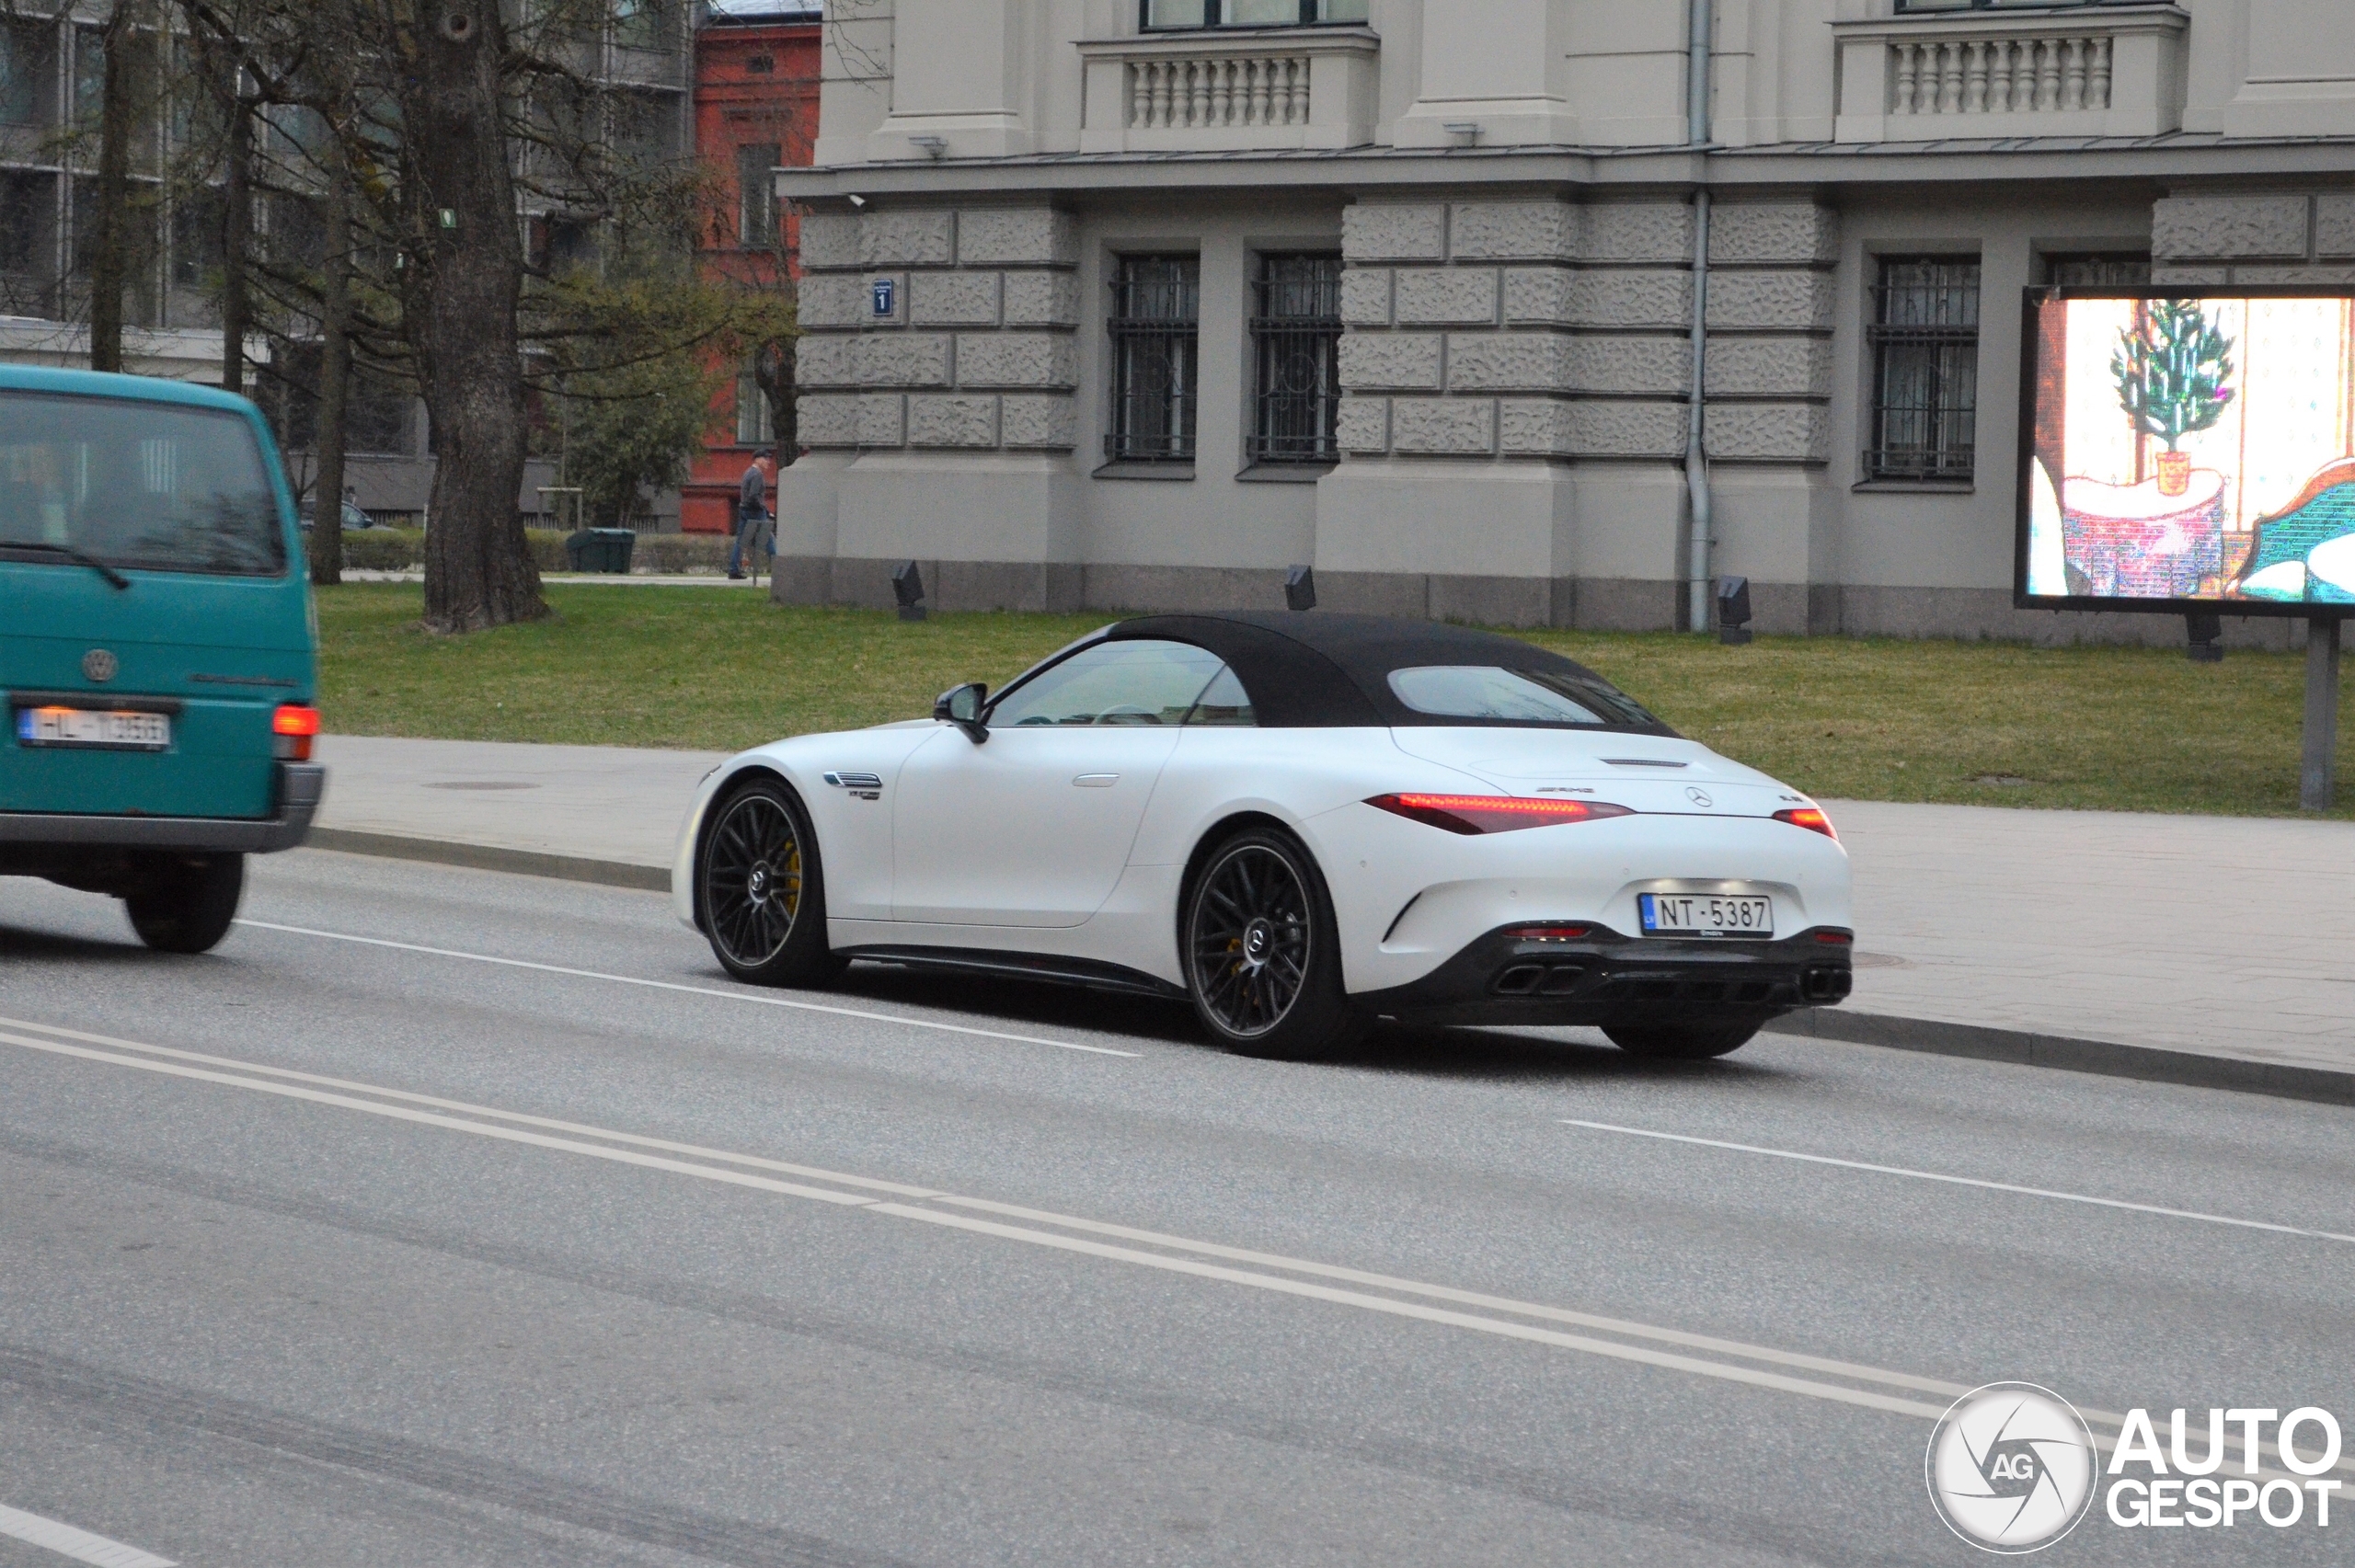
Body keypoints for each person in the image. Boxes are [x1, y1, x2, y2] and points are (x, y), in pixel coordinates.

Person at [729, 449, 775, 579]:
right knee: (768, 539)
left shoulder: (748, 473)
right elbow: (754, 495)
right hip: (755, 511)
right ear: (758, 459)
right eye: (766, 459)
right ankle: (778, 568)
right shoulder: (757, 475)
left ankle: (733, 569)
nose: (768, 462)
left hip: (744, 509)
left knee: (740, 541)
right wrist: (764, 510)